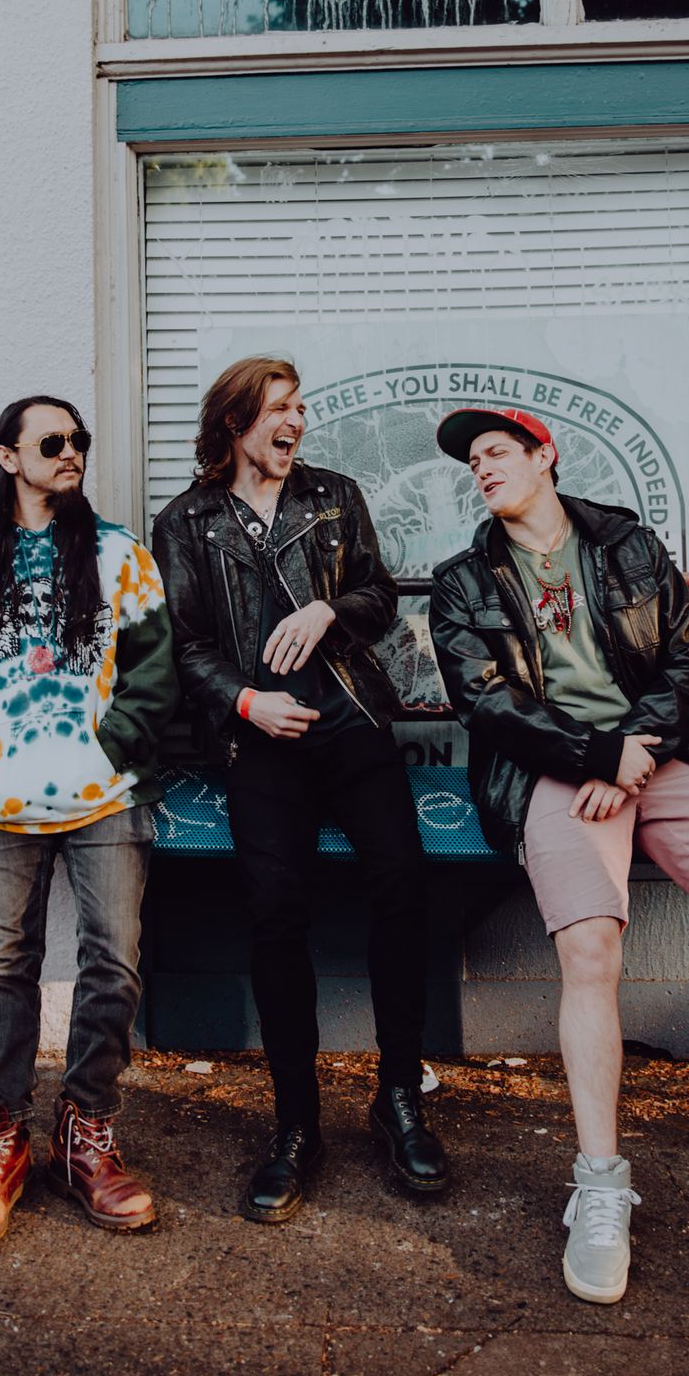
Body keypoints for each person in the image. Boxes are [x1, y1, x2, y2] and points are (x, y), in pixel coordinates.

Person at [429, 404, 689, 1305]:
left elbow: (687, 664)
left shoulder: (627, 547)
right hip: (549, 770)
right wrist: (592, 756)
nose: (482, 469)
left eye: (496, 452)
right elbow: (484, 702)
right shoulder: (462, 581)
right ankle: (600, 1182)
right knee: (590, 947)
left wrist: (634, 752)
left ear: (544, 456)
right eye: (473, 462)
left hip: (654, 757)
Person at [152, 356, 448, 1222]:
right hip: (259, 741)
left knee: (401, 883)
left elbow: (378, 595)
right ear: (235, 422)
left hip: (351, 720)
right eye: (279, 409)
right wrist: (246, 702)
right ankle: (295, 1126)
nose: (295, 423)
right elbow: (183, 642)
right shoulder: (187, 522)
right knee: (275, 911)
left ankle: (399, 1097)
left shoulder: (332, 497)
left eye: (299, 409)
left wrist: (330, 610)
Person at [0, 396, 178, 1253]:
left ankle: (85, 1129)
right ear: (8, 457)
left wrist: (111, 750)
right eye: (52, 442)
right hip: (2, 807)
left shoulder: (118, 556)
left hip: (105, 799)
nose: (71, 453)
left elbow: (153, 674)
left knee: (115, 964)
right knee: (3, 969)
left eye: (78, 441)